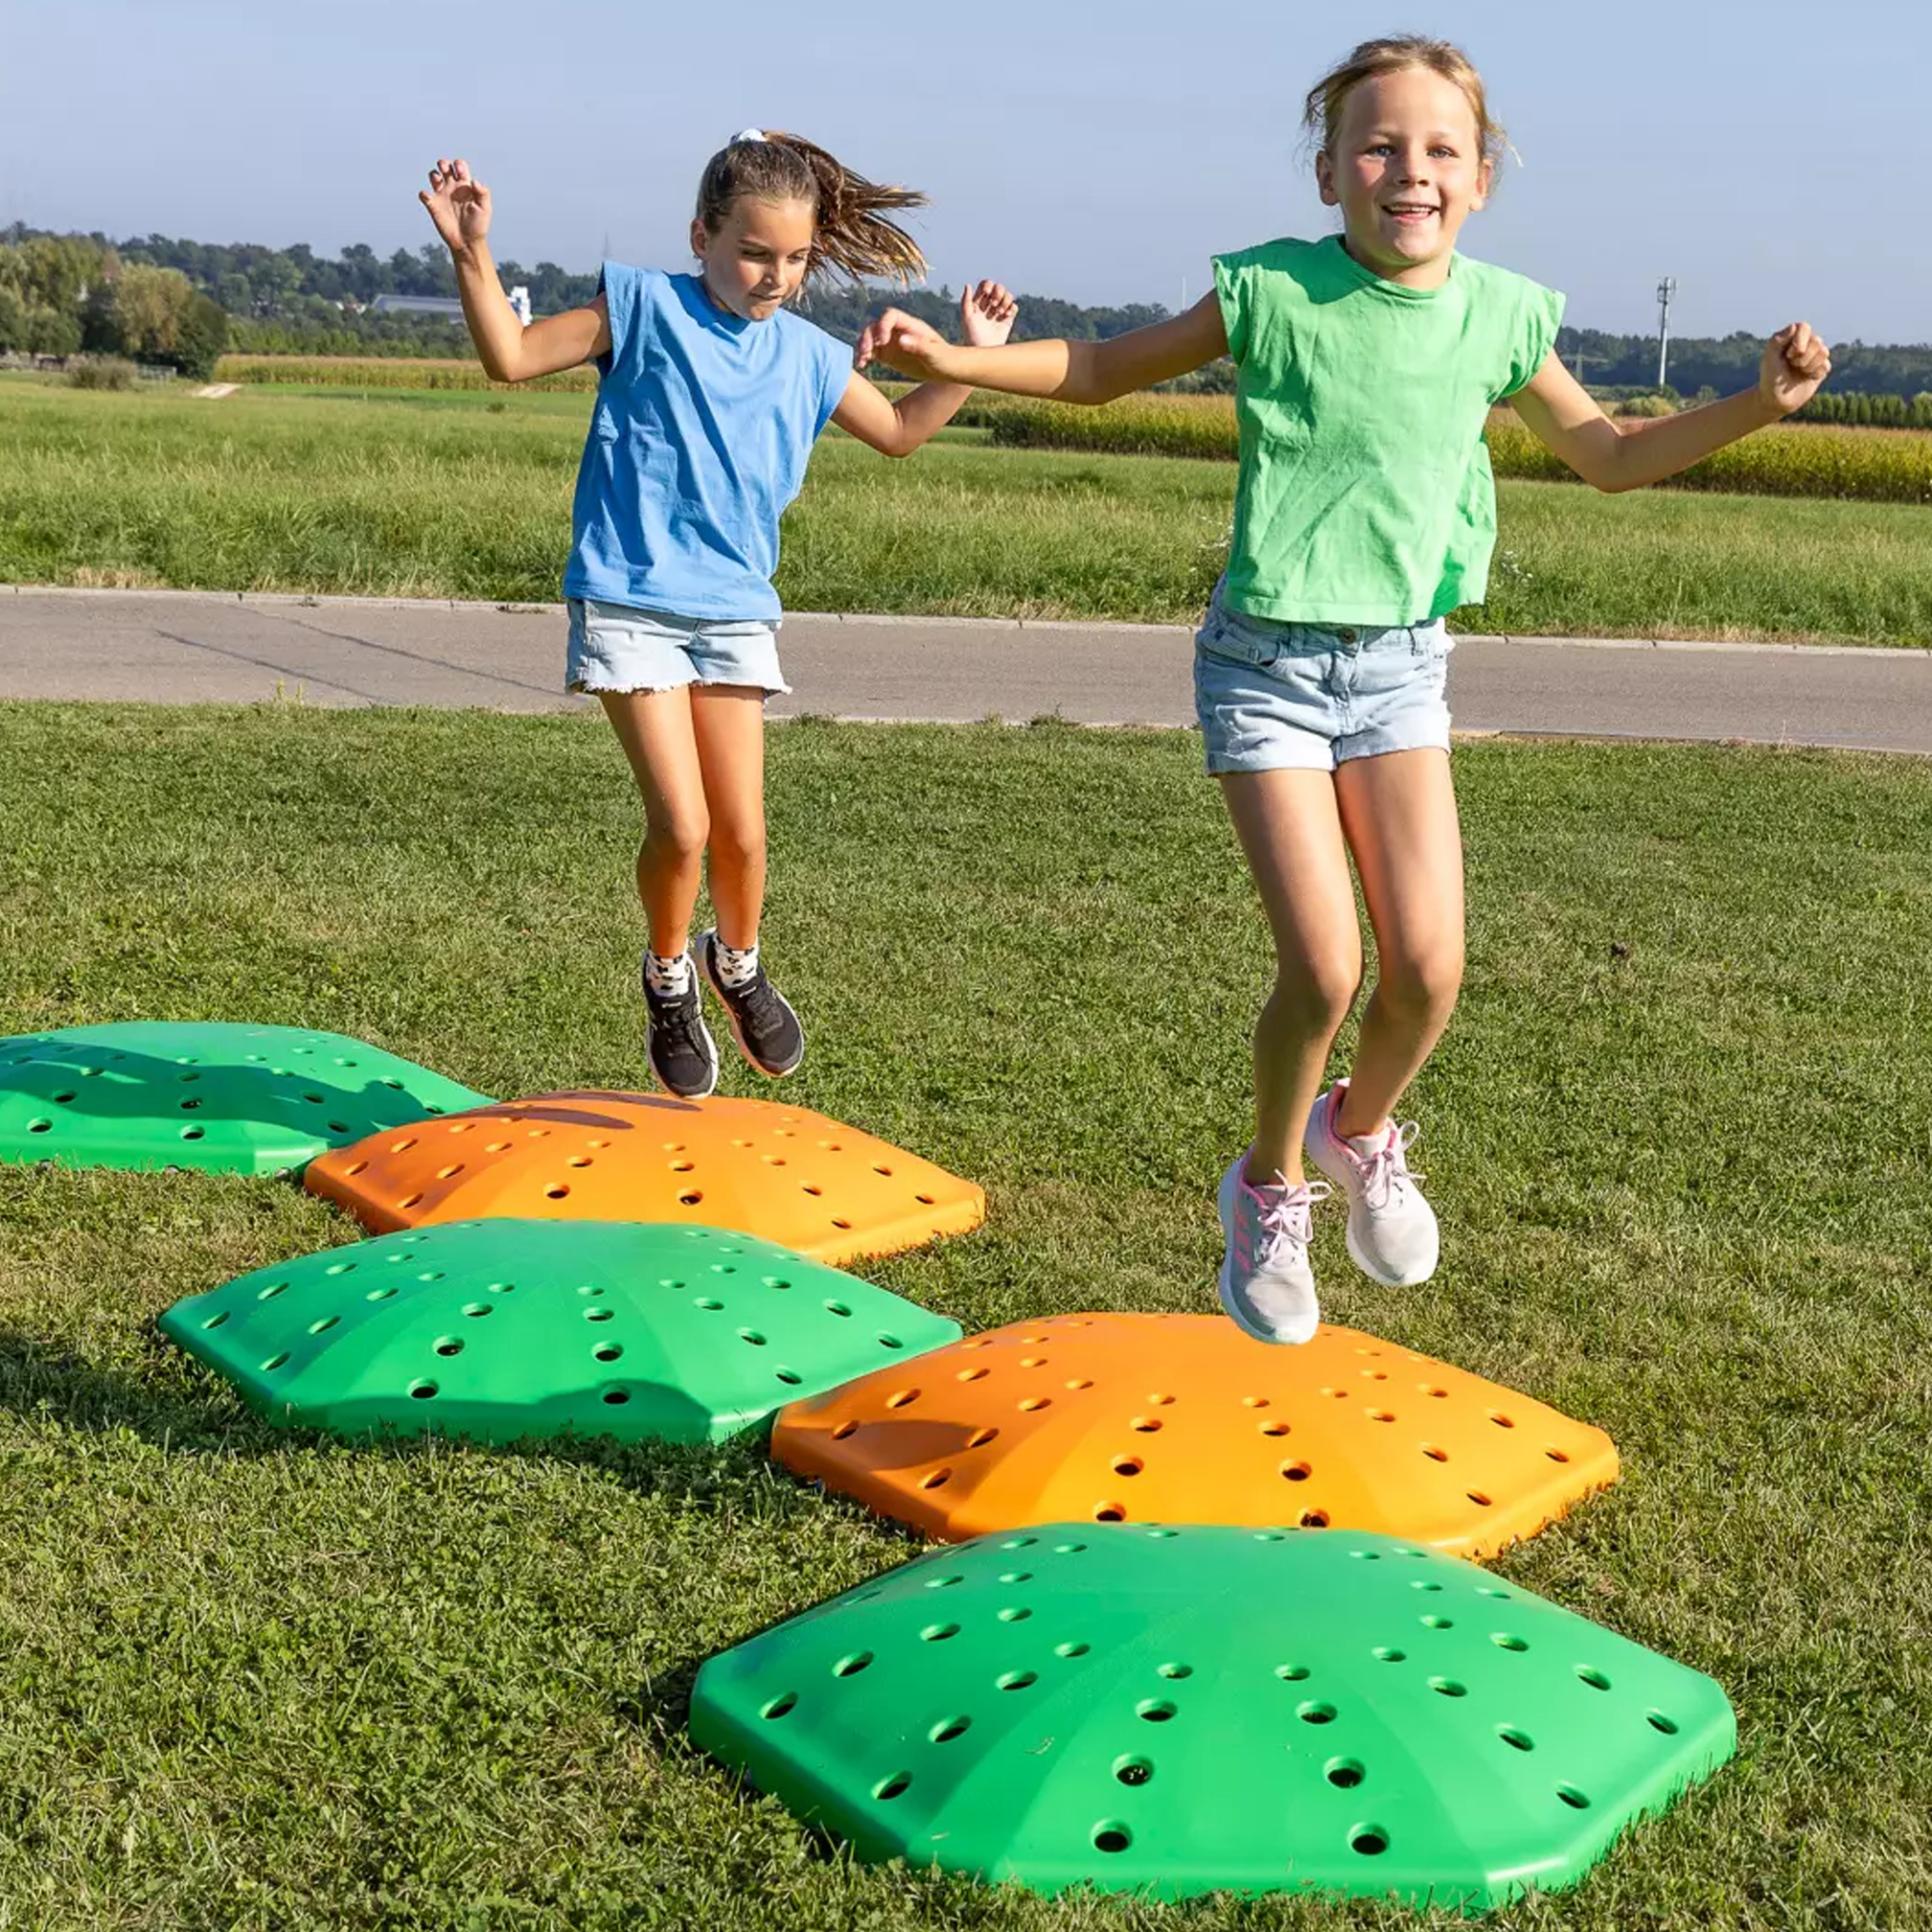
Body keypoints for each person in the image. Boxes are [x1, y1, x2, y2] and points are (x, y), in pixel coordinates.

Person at [857, 35, 1830, 1343]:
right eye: (1378, 145)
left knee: (1428, 972)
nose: (1407, 170)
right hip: (1264, 665)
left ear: (1479, 179)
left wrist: (1760, 403)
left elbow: (1610, 453)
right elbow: (1101, 369)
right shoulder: (1271, 291)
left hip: (1399, 671)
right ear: (1329, 172)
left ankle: (1357, 1131)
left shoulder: (1503, 313)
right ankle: (1267, 1190)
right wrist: (961, 362)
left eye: (1439, 150)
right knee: (1324, 968)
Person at [420, 133, 1017, 1097]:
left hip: (735, 611)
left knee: (743, 836)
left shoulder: (812, 359)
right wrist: (472, 251)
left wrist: (971, 361)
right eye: (752, 252)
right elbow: (511, 356)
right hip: (630, 599)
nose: (773, 275)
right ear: (702, 235)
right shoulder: (645, 308)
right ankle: (667, 977)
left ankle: (732, 963)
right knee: (686, 828)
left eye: (792, 258)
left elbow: (903, 430)